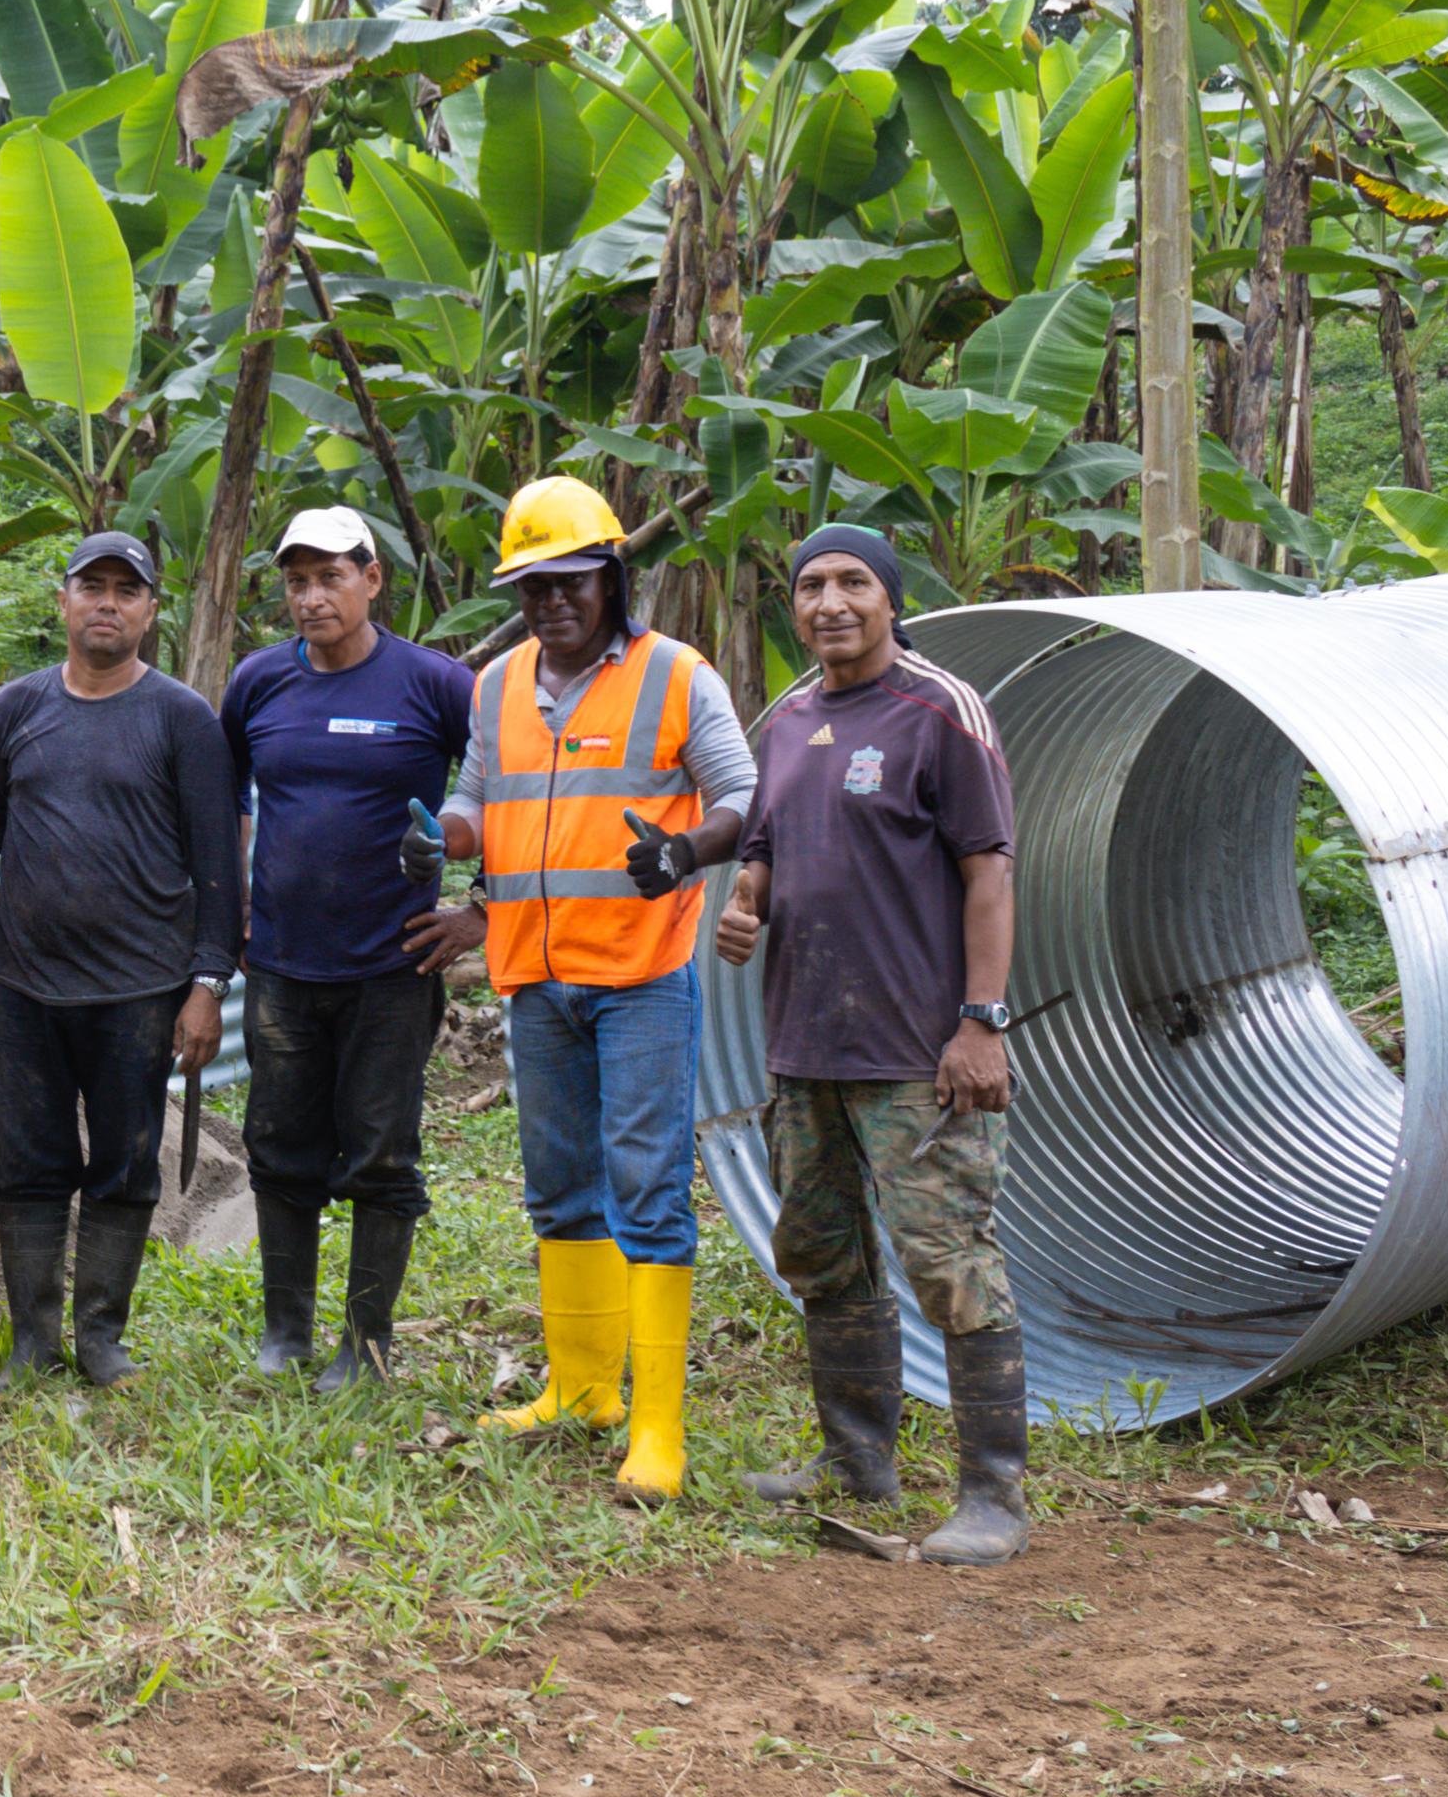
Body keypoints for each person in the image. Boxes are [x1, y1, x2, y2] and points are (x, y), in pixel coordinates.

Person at [418, 477, 755, 1508]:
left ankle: (657, 1428)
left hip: (640, 972)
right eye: (532, 585)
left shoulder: (675, 675)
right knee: (560, 1184)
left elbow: (744, 795)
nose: (552, 600)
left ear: (612, 577)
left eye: (571, 580)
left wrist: (684, 852)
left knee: (646, 1187)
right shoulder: (496, 684)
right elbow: (476, 800)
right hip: (534, 974)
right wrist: (439, 839)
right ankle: (581, 1390)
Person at [713, 524, 1031, 1564]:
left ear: (891, 600)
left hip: (915, 1051)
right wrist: (745, 906)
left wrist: (979, 1021)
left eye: (854, 582)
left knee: (947, 1259)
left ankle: (992, 1495)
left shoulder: (939, 709)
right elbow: (763, 850)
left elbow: (989, 871)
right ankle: (858, 1459)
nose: (831, 602)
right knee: (819, 1251)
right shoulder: (787, 720)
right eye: (811, 585)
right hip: (803, 1043)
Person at [0, 531, 236, 1389]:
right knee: (26, 1161)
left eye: (126, 590)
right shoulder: (14, 709)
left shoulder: (182, 719)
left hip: (140, 990)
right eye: (92, 587)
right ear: (64, 602)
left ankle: (101, 1338)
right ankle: (32, 1340)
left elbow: (218, 863)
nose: (107, 603)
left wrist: (207, 984)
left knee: (125, 1159)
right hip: (27, 985)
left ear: (151, 610)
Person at [222, 505, 475, 1386]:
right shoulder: (259, 682)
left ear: (372, 578)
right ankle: (284, 1331)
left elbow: (509, 786)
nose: (311, 597)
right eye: (296, 581)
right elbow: (226, 794)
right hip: (281, 966)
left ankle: (366, 1345)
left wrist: (483, 909)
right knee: (277, 1144)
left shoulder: (434, 683)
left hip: (392, 968)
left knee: (383, 1154)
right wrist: (235, 903)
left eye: (330, 576)